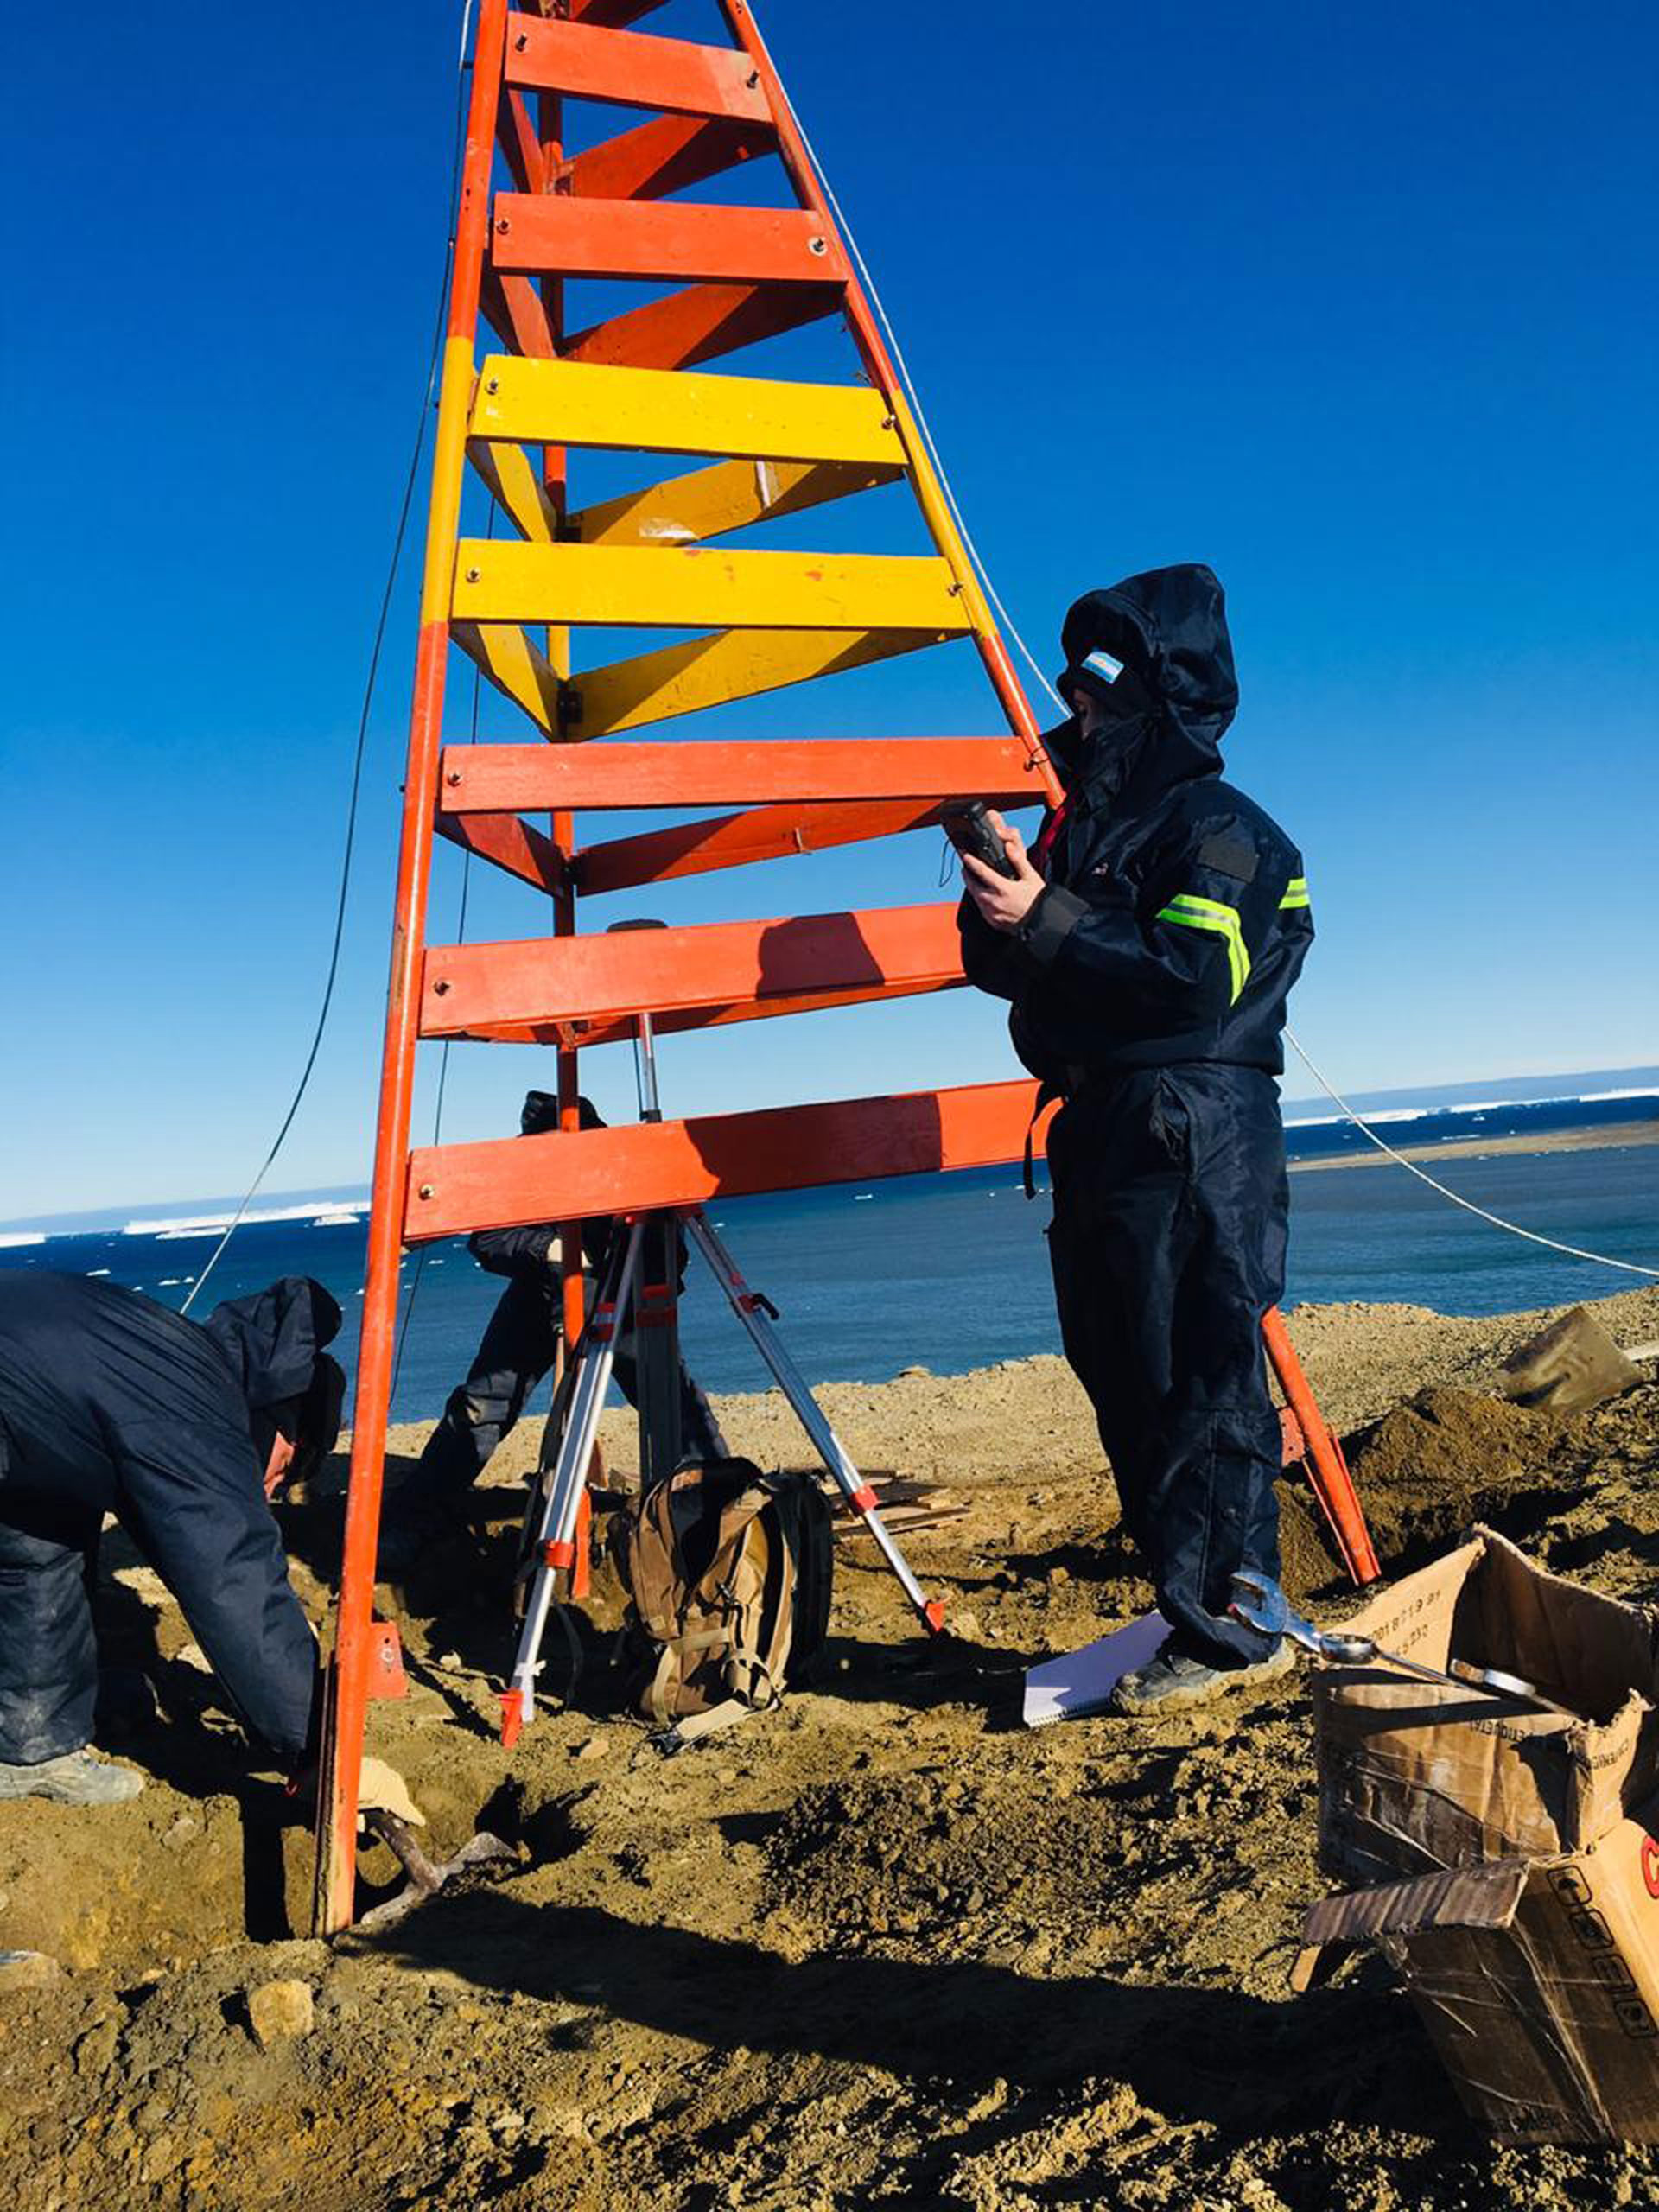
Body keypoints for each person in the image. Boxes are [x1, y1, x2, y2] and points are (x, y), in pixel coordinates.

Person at [958, 563, 1313, 1715]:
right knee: (1122, 1365)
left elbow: (1193, 984)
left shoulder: (1225, 830)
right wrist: (1005, 891)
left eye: (1100, 691)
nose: (1077, 711)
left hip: (1192, 1132)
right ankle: (1207, 1599)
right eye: (1074, 690)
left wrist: (1048, 917)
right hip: (1107, 1125)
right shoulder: (1090, 831)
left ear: (1162, 697)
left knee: (1197, 1368)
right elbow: (999, 965)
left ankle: (1227, 1625)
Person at [0, 1270, 346, 1803]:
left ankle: (34, 1737)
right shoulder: (198, 1411)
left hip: (21, 1402)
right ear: (284, 1430)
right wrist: (317, 1741)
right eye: (285, 1471)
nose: (272, 1488)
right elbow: (231, 1580)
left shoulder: (179, 1356)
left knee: (42, 1533)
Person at [383, 1090, 728, 1555]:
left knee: (670, 1399)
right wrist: (554, 1253)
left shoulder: (626, 1170)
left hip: (621, 1296)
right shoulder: (525, 1176)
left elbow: (669, 1250)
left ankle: (722, 1507)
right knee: (483, 1404)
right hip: (539, 1294)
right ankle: (417, 1512)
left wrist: (610, 1265)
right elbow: (490, 1239)